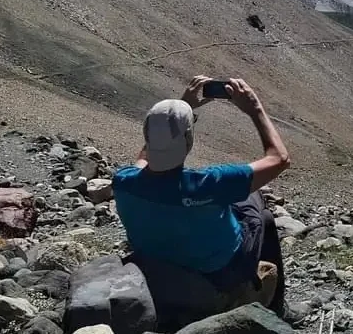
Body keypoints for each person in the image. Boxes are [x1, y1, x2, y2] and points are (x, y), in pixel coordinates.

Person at [112, 76, 291, 315]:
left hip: (159, 263)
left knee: (235, 197)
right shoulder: (210, 183)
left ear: (146, 135)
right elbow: (279, 158)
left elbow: (143, 160)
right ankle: (276, 308)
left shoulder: (123, 181)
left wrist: (182, 105)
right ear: (188, 140)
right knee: (262, 212)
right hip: (220, 272)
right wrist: (254, 108)